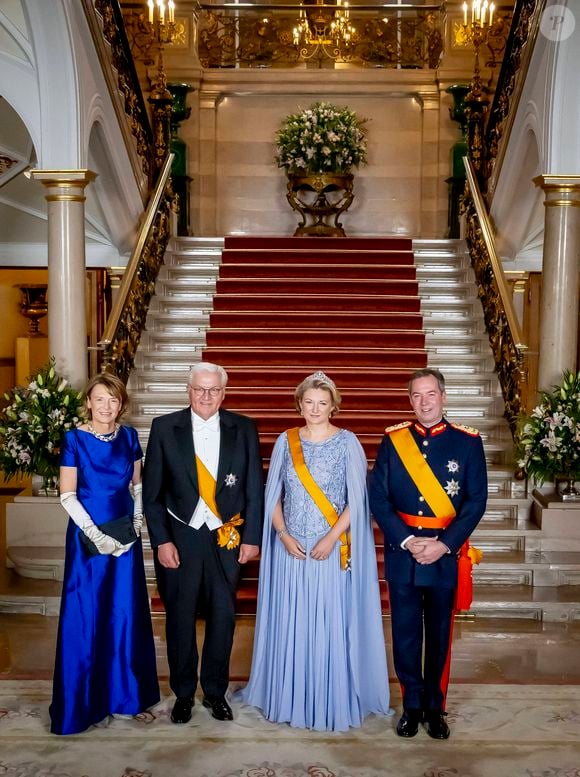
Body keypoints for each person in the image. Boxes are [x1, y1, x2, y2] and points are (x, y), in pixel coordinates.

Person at [239, 371, 390, 731]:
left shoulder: (348, 442)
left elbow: (358, 499)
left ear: (333, 406)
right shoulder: (285, 441)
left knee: (328, 622)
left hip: (330, 550)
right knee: (294, 620)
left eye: (322, 403)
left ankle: (329, 696)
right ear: (299, 404)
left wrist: (332, 538)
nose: (315, 408)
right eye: (309, 402)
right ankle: (289, 694)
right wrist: (283, 534)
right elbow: (272, 495)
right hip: (292, 548)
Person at [369, 367, 488, 740]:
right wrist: (406, 541)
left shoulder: (467, 442)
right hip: (403, 554)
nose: (424, 402)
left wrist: (443, 544)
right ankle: (412, 706)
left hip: (444, 555)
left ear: (444, 396)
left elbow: (476, 502)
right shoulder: (393, 441)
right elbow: (379, 498)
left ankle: (435, 707)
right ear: (410, 400)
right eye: (417, 396)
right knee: (405, 635)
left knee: (438, 635)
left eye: (431, 394)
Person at [143, 362, 263, 724]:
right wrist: (162, 541)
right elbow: (151, 496)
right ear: (189, 390)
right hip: (181, 537)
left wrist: (252, 538)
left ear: (224, 393)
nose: (206, 396)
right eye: (200, 389)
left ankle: (214, 691)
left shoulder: (243, 428)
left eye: (214, 390)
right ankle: (183, 693)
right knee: (179, 617)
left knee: (223, 617)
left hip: (227, 536)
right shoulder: (164, 428)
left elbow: (254, 489)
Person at [50, 373, 159, 735]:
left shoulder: (129, 437)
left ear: (121, 403)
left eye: (113, 400)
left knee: (124, 611)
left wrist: (137, 522)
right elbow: (67, 495)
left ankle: (125, 695)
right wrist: (96, 535)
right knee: (88, 612)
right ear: (89, 402)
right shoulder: (74, 439)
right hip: (87, 537)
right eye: (100, 399)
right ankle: (84, 701)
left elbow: (137, 485)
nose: (107, 406)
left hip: (125, 537)